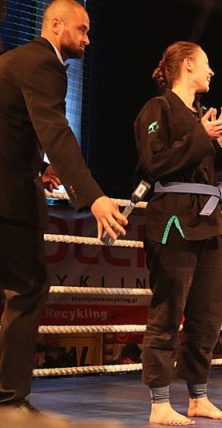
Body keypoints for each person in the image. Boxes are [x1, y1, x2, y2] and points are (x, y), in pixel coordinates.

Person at [0, 0, 127, 424]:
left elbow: (9, 129)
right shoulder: (44, 64)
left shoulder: (13, 61)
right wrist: (92, 196)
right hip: (9, 202)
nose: (88, 39)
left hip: (11, 188)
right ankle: (8, 402)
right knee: (28, 289)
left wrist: (40, 168)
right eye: (82, 29)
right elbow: (57, 131)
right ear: (55, 25)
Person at [134, 41, 222, 425]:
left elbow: (220, 173)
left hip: (208, 221)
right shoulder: (157, 109)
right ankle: (160, 402)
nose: (211, 71)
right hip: (172, 220)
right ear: (188, 65)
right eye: (206, 64)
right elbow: (155, 162)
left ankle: (198, 396)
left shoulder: (200, 115)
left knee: (207, 314)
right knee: (168, 310)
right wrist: (201, 135)